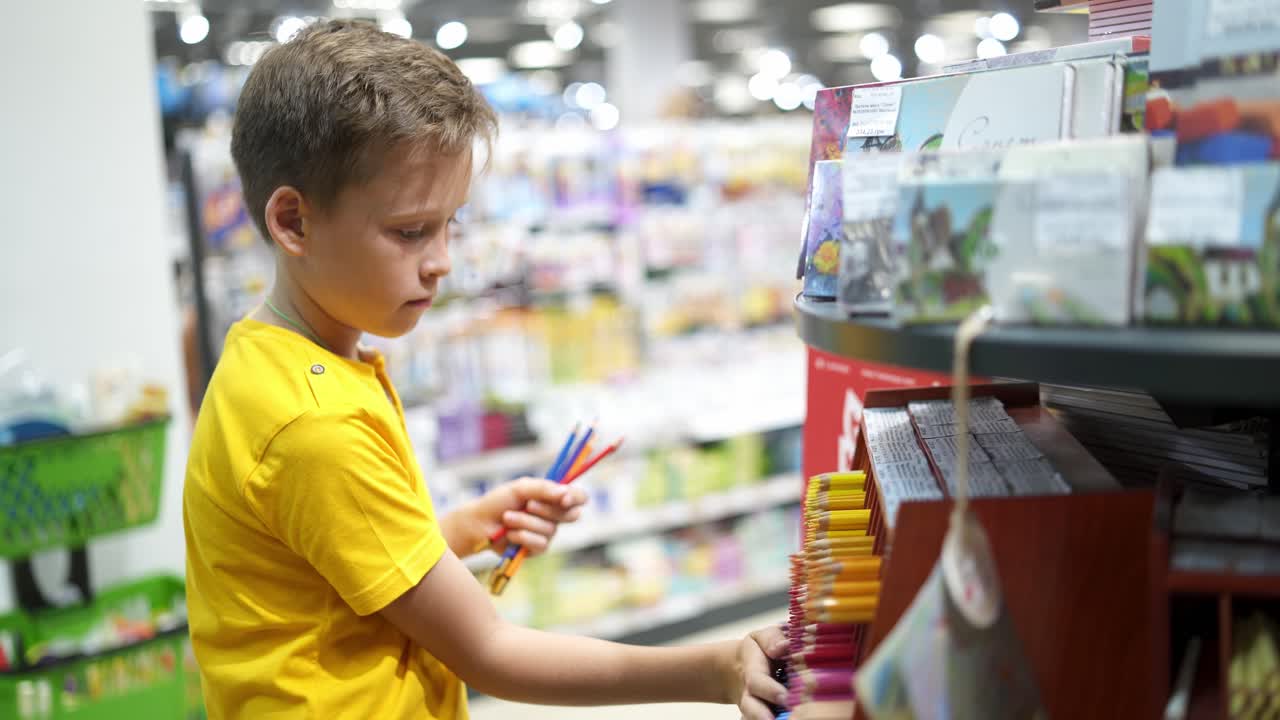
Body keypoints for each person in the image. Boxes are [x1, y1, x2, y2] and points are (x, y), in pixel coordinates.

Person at [182, 19, 787, 720]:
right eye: (411, 231)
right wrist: (715, 668)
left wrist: (459, 529)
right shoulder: (314, 425)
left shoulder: (270, 360)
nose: (442, 260)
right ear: (293, 222)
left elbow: (328, 581)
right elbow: (490, 651)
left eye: (451, 224)